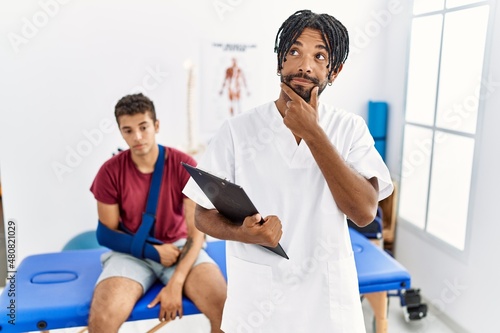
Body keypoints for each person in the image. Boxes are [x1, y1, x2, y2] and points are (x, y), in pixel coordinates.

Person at [183, 9, 393, 332]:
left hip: (327, 304)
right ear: (280, 61)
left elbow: (365, 212)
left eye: (319, 56)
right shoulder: (237, 131)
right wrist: (243, 232)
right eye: (294, 51)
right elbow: (201, 215)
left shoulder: (350, 129)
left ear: (334, 71)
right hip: (258, 306)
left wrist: (314, 133)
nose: (304, 65)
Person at [88, 93, 227, 333]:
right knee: (102, 320)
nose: (137, 137)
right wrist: (152, 251)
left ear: (156, 125)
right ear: (121, 132)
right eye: (128, 130)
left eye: (143, 127)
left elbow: (197, 236)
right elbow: (106, 235)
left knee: (225, 310)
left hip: (180, 248)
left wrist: (176, 283)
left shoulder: (183, 165)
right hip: (130, 253)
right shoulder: (109, 172)